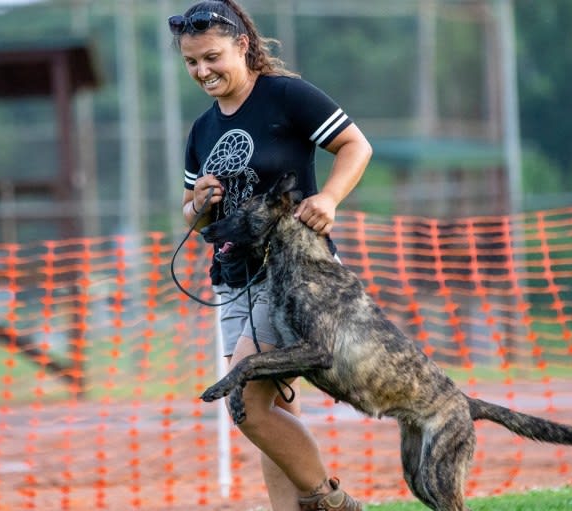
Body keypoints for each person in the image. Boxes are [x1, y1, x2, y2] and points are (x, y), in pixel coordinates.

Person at [170, 1, 372, 509]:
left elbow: (355, 146)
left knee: (246, 402)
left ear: (242, 45)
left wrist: (327, 198)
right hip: (232, 280)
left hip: (292, 275)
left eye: (211, 57)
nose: (202, 71)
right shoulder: (202, 130)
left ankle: (333, 504)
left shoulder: (285, 96)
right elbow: (194, 220)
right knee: (268, 412)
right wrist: (197, 203)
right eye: (192, 62)